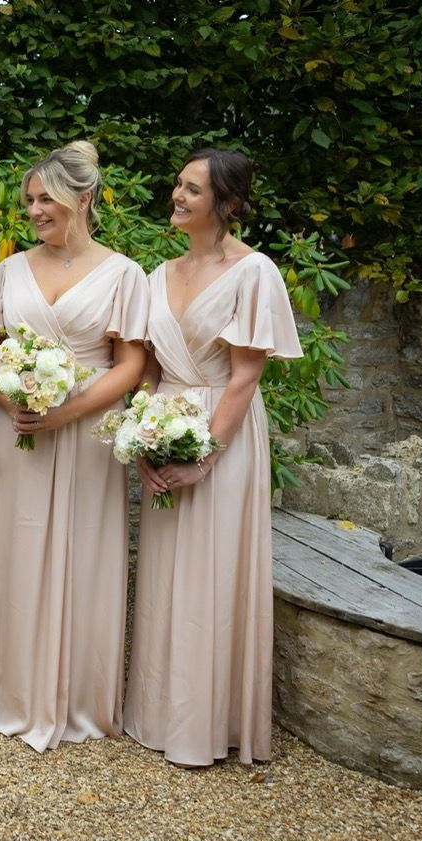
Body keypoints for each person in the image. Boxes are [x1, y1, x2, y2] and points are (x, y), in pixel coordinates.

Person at [123, 148, 302, 766]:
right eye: (177, 184)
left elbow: (245, 378)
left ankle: (207, 724)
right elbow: (147, 372)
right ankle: (157, 714)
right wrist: (140, 437)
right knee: (166, 570)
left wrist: (205, 457)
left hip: (222, 431)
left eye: (191, 190)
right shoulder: (156, 274)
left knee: (213, 569)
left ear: (225, 204)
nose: (176, 195)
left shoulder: (256, 274)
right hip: (164, 422)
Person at [0, 141, 149, 751]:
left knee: (83, 553)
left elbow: (130, 365)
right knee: (9, 554)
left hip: (87, 434)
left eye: (46, 197)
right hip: (14, 432)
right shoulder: (9, 269)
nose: (35, 210)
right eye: (29, 201)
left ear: (84, 198)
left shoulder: (124, 274)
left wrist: (65, 413)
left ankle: (77, 695)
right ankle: (7, 690)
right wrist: (10, 401)